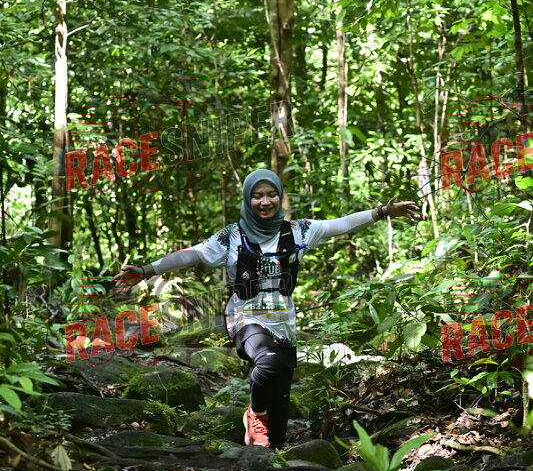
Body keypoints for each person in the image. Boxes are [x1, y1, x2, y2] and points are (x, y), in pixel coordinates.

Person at [113, 168, 418, 450]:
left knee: (280, 406)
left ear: (279, 197)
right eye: (257, 196)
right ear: (248, 199)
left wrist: (383, 211)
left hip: (283, 320)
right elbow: (191, 254)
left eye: (271, 194)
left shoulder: (298, 230)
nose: (265, 201)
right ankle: (254, 414)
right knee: (268, 362)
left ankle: (271, 458)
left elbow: (339, 225)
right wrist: (146, 270)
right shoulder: (232, 236)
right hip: (245, 316)